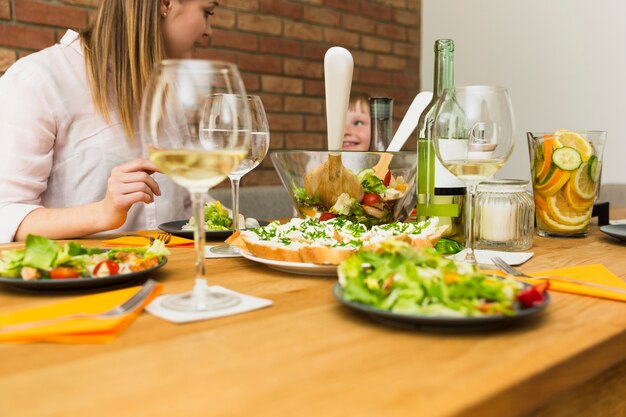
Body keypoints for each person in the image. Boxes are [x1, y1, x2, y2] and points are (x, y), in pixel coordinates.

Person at [0, 0, 220, 243]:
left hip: (174, 272)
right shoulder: (38, 79)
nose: (208, 31)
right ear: (165, 3)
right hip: (88, 276)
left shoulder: (167, 90)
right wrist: (102, 213)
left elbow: (187, 202)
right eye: (207, 12)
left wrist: (249, 230)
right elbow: (6, 214)